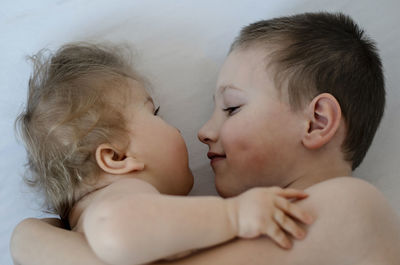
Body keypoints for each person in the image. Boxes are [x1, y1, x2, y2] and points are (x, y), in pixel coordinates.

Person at [10, 11, 400, 265]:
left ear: (316, 121)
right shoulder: (239, 228)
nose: (202, 130)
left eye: (232, 107)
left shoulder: (354, 207)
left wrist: (30, 242)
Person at [10, 43, 314, 265]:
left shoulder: (57, 235)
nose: (182, 130)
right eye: (156, 113)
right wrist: (236, 215)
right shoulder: (121, 196)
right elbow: (114, 227)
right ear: (116, 158)